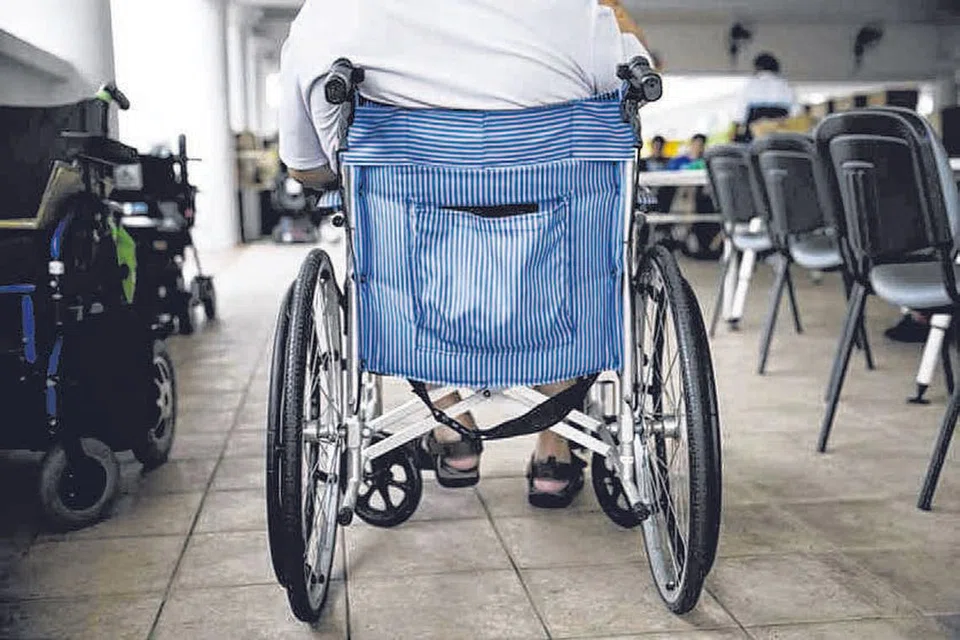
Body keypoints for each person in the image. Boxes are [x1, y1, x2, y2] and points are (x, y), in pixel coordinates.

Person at [279, 0, 649, 508]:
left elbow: (306, 168)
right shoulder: (579, 13)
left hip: (415, 302)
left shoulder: (329, 17)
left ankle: (451, 428)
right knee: (570, 245)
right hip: (558, 300)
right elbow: (627, 106)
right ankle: (556, 446)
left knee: (399, 245)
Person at [734, 53, 799, 142]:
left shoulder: (751, 84)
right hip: (779, 130)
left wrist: (738, 131)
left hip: (755, 131)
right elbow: (795, 112)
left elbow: (740, 113)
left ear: (758, 67)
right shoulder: (786, 85)